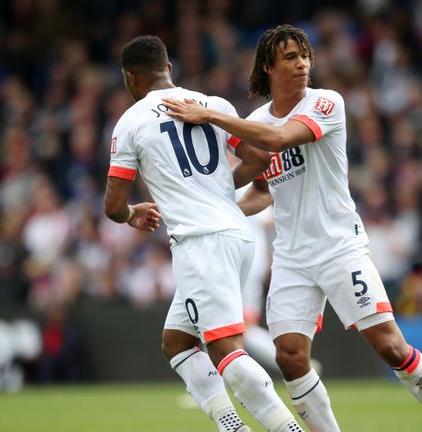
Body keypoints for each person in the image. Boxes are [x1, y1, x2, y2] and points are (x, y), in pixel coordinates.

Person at [164, 25, 422, 432]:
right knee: (289, 356)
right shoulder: (254, 120)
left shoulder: (326, 103)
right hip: (291, 256)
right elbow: (262, 192)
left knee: (390, 347)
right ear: (269, 66)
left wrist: (212, 115)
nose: (302, 63)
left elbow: (279, 138)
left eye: (304, 55)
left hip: (340, 247)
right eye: (290, 57)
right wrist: (208, 208)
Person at [104, 35, 303, 432]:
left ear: (130, 78)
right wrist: (216, 190)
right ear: (169, 69)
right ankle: (232, 425)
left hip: (200, 243)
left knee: (225, 350)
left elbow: (112, 206)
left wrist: (131, 214)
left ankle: (289, 429)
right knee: (176, 341)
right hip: (238, 234)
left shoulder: (130, 122)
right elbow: (260, 159)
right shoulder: (212, 105)